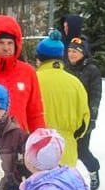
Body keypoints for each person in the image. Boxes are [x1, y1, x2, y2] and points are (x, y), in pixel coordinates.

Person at [34, 30, 90, 169]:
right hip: (67, 150)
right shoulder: (75, 83)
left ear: (39, 59)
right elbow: (84, 121)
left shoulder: (33, 81)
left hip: (38, 151)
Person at [66, 35, 103, 190]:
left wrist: (92, 118)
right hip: (66, 116)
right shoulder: (64, 68)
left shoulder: (91, 70)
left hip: (83, 117)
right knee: (64, 150)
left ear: (83, 53)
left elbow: (95, 95)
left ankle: (93, 169)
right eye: (70, 51)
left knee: (81, 150)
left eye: (75, 51)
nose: (72, 54)